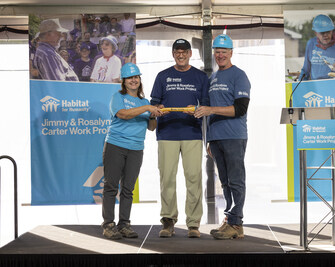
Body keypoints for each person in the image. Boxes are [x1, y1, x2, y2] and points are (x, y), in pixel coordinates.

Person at [150, 39, 209, 238]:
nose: (181, 54)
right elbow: (154, 105)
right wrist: (157, 111)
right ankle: (168, 221)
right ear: (173, 54)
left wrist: (198, 112)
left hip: (192, 133)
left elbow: (206, 107)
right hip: (167, 133)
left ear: (190, 54)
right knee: (167, 179)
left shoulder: (200, 77)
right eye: (177, 51)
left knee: (194, 178)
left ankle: (193, 223)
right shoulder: (163, 76)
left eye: (184, 51)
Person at [194, 34, 251, 240]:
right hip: (216, 138)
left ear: (231, 53)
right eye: (217, 52)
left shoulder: (239, 76)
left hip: (234, 136)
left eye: (224, 52)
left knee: (236, 180)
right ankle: (230, 220)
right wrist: (209, 139)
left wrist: (210, 110)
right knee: (225, 182)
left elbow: (240, 109)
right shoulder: (213, 78)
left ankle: (236, 223)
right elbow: (207, 112)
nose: (220, 55)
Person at [101, 63, 162, 240]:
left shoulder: (144, 102)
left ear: (139, 80)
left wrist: (153, 115)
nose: (133, 80)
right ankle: (108, 224)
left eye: (136, 77)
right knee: (111, 186)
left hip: (136, 149)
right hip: (115, 145)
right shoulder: (117, 97)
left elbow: (151, 128)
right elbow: (123, 115)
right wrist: (148, 108)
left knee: (128, 189)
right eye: (130, 78)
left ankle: (124, 224)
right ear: (124, 81)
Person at [300, 14, 335, 80]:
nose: (325, 35)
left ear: (332, 30)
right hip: (315, 86)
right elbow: (305, 70)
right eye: (322, 32)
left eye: (328, 32)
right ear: (315, 33)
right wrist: (300, 85)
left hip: (334, 84)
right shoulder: (311, 44)